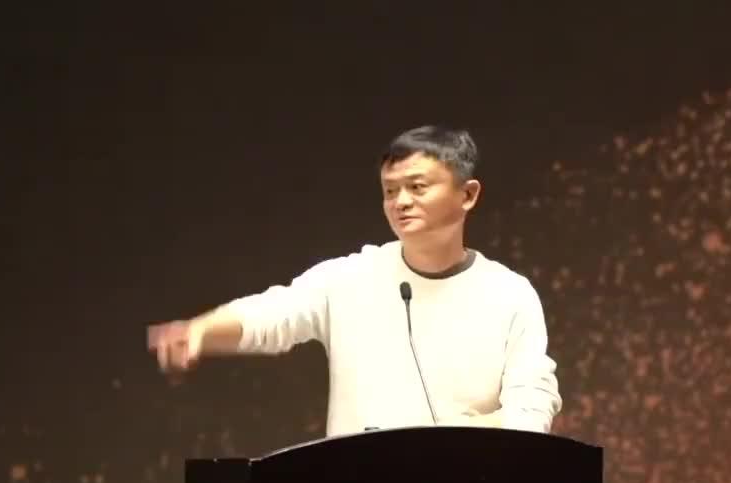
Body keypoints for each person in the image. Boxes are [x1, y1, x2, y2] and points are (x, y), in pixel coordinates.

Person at [146, 125, 561, 436]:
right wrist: (201, 330)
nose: (401, 202)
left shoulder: (509, 294)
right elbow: (272, 314)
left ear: (467, 194)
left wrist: (457, 434)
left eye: (417, 187)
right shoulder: (350, 277)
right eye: (390, 191)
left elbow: (532, 407)